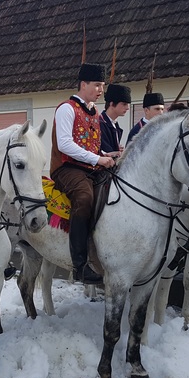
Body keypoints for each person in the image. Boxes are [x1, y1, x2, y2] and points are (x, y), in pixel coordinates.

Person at [50, 63, 115, 284]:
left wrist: (108, 154)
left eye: (102, 86)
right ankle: (80, 265)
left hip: (89, 167)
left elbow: (91, 146)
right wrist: (98, 159)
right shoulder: (66, 109)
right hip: (67, 168)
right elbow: (66, 144)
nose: (101, 90)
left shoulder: (94, 111)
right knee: (84, 198)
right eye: (97, 85)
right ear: (83, 84)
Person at [99, 83, 131, 158]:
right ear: (112, 104)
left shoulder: (114, 124)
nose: (127, 108)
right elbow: (105, 152)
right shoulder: (100, 124)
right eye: (124, 104)